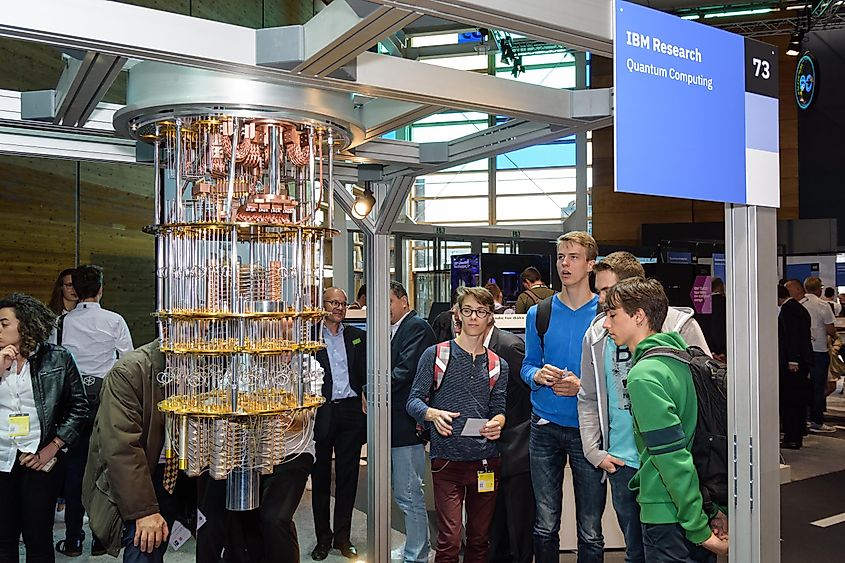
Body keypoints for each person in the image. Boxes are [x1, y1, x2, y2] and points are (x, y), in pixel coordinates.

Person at [578, 251, 712, 563]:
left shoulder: (678, 331)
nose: (601, 301)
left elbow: (702, 398)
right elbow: (588, 396)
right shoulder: (597, 332)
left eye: (608, 293)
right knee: (637, 552)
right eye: (599, 292)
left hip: (675, 469)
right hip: (623, 463)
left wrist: (699, 525)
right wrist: (593, 450)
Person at [602, 278, 728, 562]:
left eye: (612, 315)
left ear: (638, 316)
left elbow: (671, 458)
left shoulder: (645, 375)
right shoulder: (682, 360)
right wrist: (708, 512)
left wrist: (698, 527)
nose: (606, 325)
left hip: (671, 515)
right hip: (695, 503)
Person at [519, 231, 604, 563]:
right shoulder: (539, 313)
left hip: (589, 430)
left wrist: (582, 385)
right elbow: (527, 365)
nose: (565, 264)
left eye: (573, 257)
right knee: (544, 525)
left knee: (591, 529)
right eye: (560, 257)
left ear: (591, 264)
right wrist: (537, 376)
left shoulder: (605, 313)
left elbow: (614, 376)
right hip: (544, 426)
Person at [407, 286, 508, 563]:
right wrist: (432, 414)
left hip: (486, 461)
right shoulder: (436, 355)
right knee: (449, 539)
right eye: (468, 310)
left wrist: (498, 423)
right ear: (457, 314)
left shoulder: (498, 364)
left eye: (481, 311)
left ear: (490, 317)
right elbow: (413, 401)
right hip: (447, 461)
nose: (474, 317)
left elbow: (499, 409)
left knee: (479, 539)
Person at [82, 339, 194, 562]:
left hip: (185, 473)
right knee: (144, 545)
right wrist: (144, 511)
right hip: (143, 475)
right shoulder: (130, 370)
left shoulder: (206, 363)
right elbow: (121, 447)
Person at [0, 293, 89, 563]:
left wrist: (53, 447)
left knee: (38, 539)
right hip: (1, 460)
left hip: (38, 460)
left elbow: (79, 408)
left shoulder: (57, 358)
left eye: (4, 324)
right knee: (3, 540)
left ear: (25, 325)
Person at [56, 265, 134, 557]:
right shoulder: (114, 320)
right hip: (104, 398)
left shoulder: (60, 323)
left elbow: (56, 364)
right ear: (101, 289)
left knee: (75, 470)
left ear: (74, 289)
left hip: (73, 401)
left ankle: (74, 539)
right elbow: (126, 361)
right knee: (105, 468)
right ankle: (102, 538)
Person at [197, 419, 315, 563]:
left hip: (291, 454)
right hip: (242, 455)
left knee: (275, 519)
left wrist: (269, 414)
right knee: (223, 520)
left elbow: (301, 420)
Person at [311, 288, 367, 560]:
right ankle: (323, 538)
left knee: (348, 477)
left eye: (343, 304)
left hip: (351, 412)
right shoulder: (309, 338)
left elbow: (367, 372)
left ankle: (343, 538)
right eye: (334, 303)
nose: (339, 308)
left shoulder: (358, 337)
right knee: (320, 477)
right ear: (321, 306)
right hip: (321, 412)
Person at [389, 281, 436, 563]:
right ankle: (416, 547)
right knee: (405, 493)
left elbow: (404, 371)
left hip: (407, 425)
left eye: (389, 302)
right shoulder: (399, 329)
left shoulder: (416, 328)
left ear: (404, 301)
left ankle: (417, 553)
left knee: (409, 493)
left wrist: (372, 387)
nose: (384, 309)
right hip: (397, 424)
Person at [484, 311, 533, 563]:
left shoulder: (509, 346)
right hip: (490, 448)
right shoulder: (469, 347)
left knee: (518, 523)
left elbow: (528, 393)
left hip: (515, 446)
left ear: (489, 316)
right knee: (495, 521)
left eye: (478, 312)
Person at [796, 277, 837, 433]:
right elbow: (830, 329)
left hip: (802, 352)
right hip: (819, 350)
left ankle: (804, 418)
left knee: (804, 386)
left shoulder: (800, 305)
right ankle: (817, 421)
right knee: (819, 387)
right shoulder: (823, 305)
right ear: (819, 289)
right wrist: (834, 338)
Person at [777, 284, 813, 449]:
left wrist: (793, 360)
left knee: (790, 402)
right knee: (797, 401)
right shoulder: (797, 308)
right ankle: (797, 434)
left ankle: (792, 437)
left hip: (793, 364)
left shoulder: (788, 310)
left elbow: (792, 336)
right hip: (801, 361)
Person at [704, 278, 727, 363]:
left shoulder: (704, 305)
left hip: (710, 350)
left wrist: (712, 351)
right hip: (724, 349)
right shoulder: (726, 303)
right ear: (721, 287)